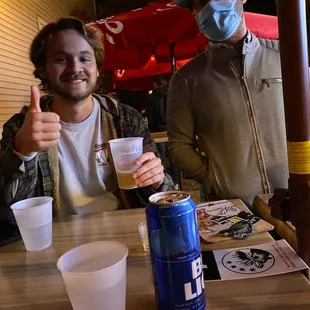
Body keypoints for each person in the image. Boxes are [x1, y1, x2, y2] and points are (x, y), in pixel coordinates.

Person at [0, 18, 174, 220]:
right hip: (58, 240)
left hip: (125, 231)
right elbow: (9, 212)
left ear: (97, 69)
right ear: (42, 69)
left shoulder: (127, 119)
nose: (75, 68)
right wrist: (22, 151)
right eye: (61, 59)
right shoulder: (22, 127)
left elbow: (164, 195)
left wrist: (157, 181)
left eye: (84, 59)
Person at [168, 0, 288, 206]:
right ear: (194, 12)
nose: (211, 6)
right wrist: (213, 178)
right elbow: (179, 145)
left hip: (298, 203)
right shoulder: (186, 79)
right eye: (200, 2)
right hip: (236, 212)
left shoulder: (286, 58)